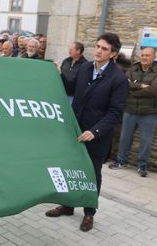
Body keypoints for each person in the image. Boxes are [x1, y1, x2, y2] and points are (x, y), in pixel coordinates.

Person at [45, 32, 128, 232]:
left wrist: (95, 131)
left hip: (96, 137)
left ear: (113, 54)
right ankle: (68, 205)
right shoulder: (85, 68)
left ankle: (89, 213)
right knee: (70, 168)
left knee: (92, 174)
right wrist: (58, 75)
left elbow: (115, 112)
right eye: (98, 46)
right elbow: (71, 87)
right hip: (75, 131)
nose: (99, 51)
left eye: (104, 49)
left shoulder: (118, 79)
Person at [109, 47, 157, 177]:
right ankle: (121, 161)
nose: (144, 57)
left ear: (154, 57)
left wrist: (133, 91)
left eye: (147, 55)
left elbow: (153, 91)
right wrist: (141, 86)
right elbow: (125, 84)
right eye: (142, 55)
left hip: (149, 112)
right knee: (125, 138)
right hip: (130, 109)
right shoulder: (133, 68)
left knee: (146, 141)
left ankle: (142, 165)